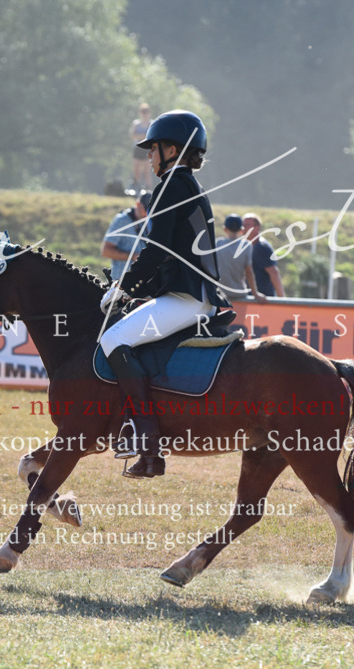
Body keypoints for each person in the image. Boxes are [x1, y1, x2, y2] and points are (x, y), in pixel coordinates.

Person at [100, 109, 230, 479]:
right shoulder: (190, 185)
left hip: (186, 297)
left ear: (172, 150)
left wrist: (123, 287)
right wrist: (138, 291)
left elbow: (156, 251)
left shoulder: (170, 186)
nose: (149, 157)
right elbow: (171, 252)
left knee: (113, 338)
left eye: (153, 149)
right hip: (194, 292)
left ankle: (146, 441)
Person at [215, 213, 266, 302]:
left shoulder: (218, 243)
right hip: (239, 294)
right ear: (242, 230)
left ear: (225, 229)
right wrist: (255, 294)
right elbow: (249, 272)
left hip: (220, 294)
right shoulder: (246, 245)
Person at [101, 193, 151, 280]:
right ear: (138, 204)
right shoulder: (121, 220)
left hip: (139, 282)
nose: (146, 214)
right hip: (119, 281)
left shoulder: (147, 221)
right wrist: (132, 256)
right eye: (145, 210)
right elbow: (106, 251)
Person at [242, 213, 285, 297]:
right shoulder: (247, 246)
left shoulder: (261, 247)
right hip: (253, 298)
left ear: (257, 227)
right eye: (243, 225)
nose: (244, 228)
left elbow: (274, 273)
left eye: (248, 225)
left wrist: (281, 300)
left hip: (263, 299)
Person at [128, 103, 154, 193]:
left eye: (146, 111)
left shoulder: (151, 124)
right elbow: (132, 135)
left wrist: (141, 136)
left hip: (147, 149)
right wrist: (142, 136)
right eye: (143, 112)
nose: (144, 114)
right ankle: (135, 189)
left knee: (147, 172)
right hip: (138, 149)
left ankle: (149, 190)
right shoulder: (136, 124)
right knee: (136, 171)